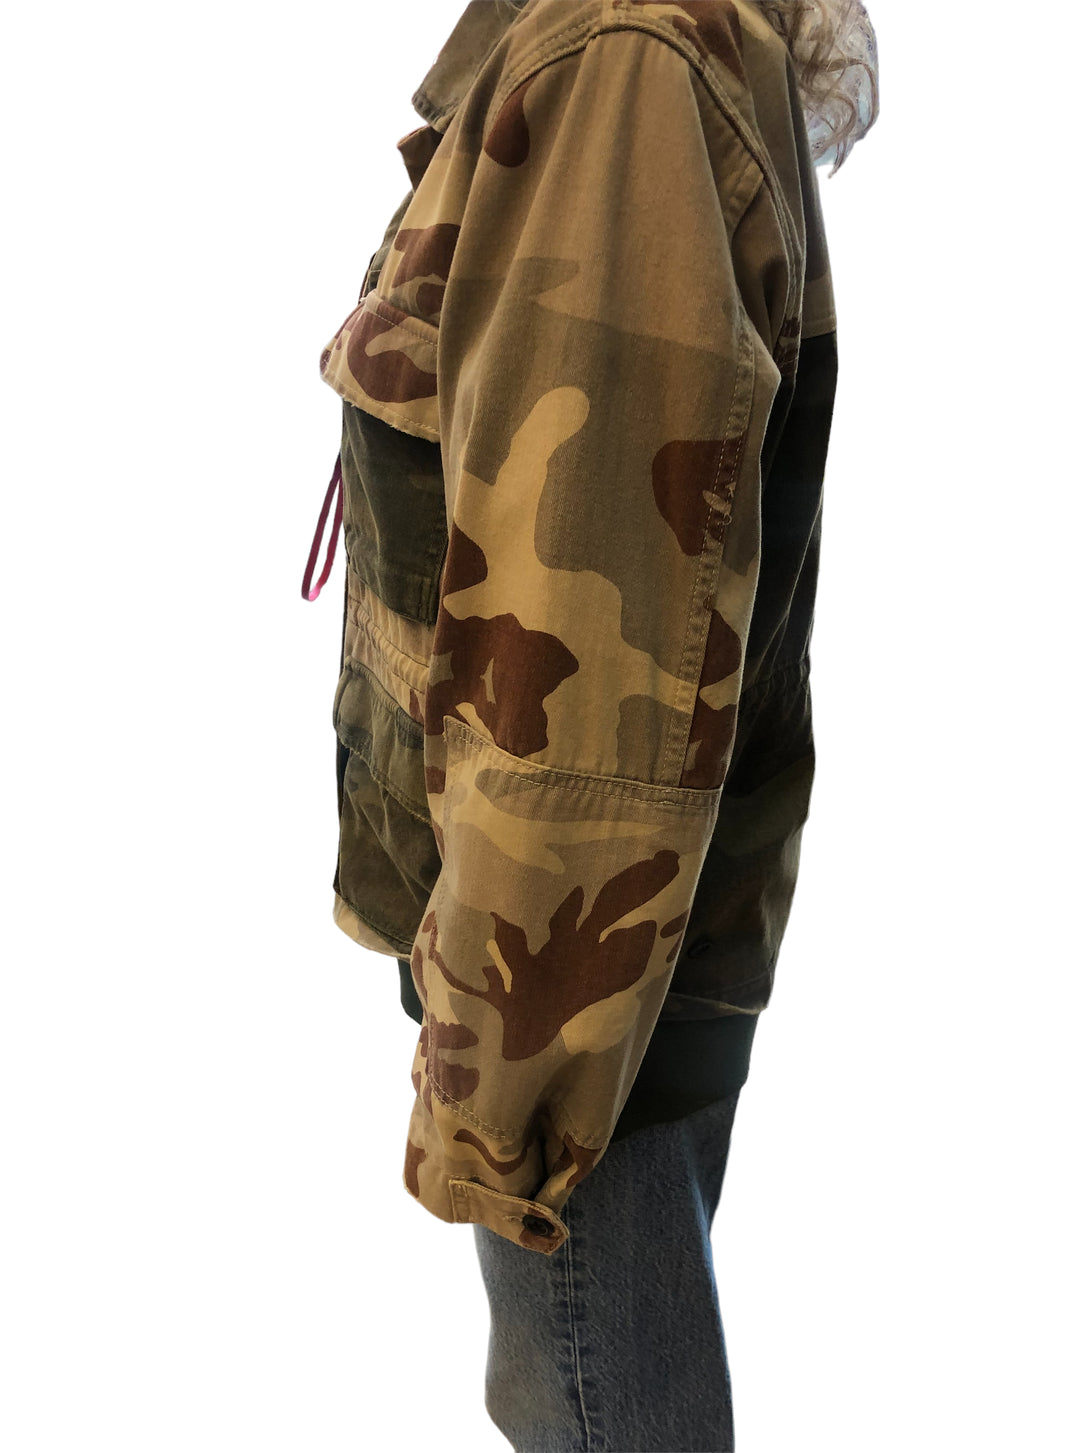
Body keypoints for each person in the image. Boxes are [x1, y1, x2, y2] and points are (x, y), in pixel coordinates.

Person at [305, 1, 878, 1447]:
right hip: (581, 970)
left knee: (599, 1409)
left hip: (576, 990)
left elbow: (582, 683)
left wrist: (511, 1096)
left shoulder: (620, 68)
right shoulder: (604, 46)